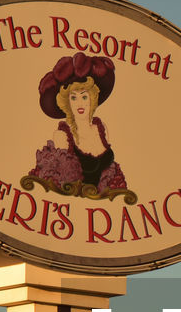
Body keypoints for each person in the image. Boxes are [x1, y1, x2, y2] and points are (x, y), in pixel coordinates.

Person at [23, 52, 133, 201]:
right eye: (73, 97)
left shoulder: (102, 129)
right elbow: (60, 186)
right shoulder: (62, 137)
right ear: (66, 103)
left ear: (92, 99)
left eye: (84, 96)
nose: (79, 103)